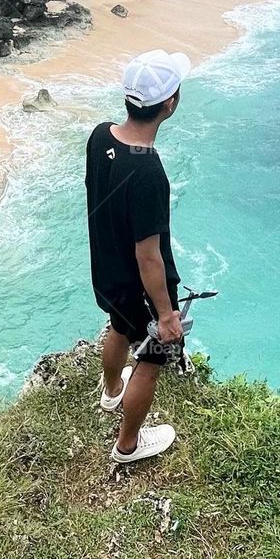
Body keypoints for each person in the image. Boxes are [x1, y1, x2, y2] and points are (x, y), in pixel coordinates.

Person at [84, 47, 190, 463]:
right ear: (169, 104)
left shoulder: (99, 135)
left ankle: (112, 394)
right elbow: (149, 256)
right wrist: (166, 316)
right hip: (139, 282)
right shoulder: (149, 172)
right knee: (151, 358)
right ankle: (128, 445)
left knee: (117, 327)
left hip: (106, 270)